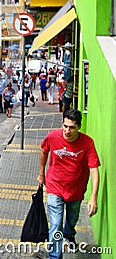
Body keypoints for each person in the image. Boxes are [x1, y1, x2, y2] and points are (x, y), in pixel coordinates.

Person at [37, 109, 100, 258]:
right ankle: (55, 256)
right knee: (55, 225)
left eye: (71, 127)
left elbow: (94, 170)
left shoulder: (87, 143)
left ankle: (70, 233)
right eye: (65, 126)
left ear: (79, 126)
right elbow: (44, 151)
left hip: (76, 191)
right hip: (54, 186)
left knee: (72, 219)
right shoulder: (52, 136)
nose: (67, 131)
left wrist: (93, 197)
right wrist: (41, 174)